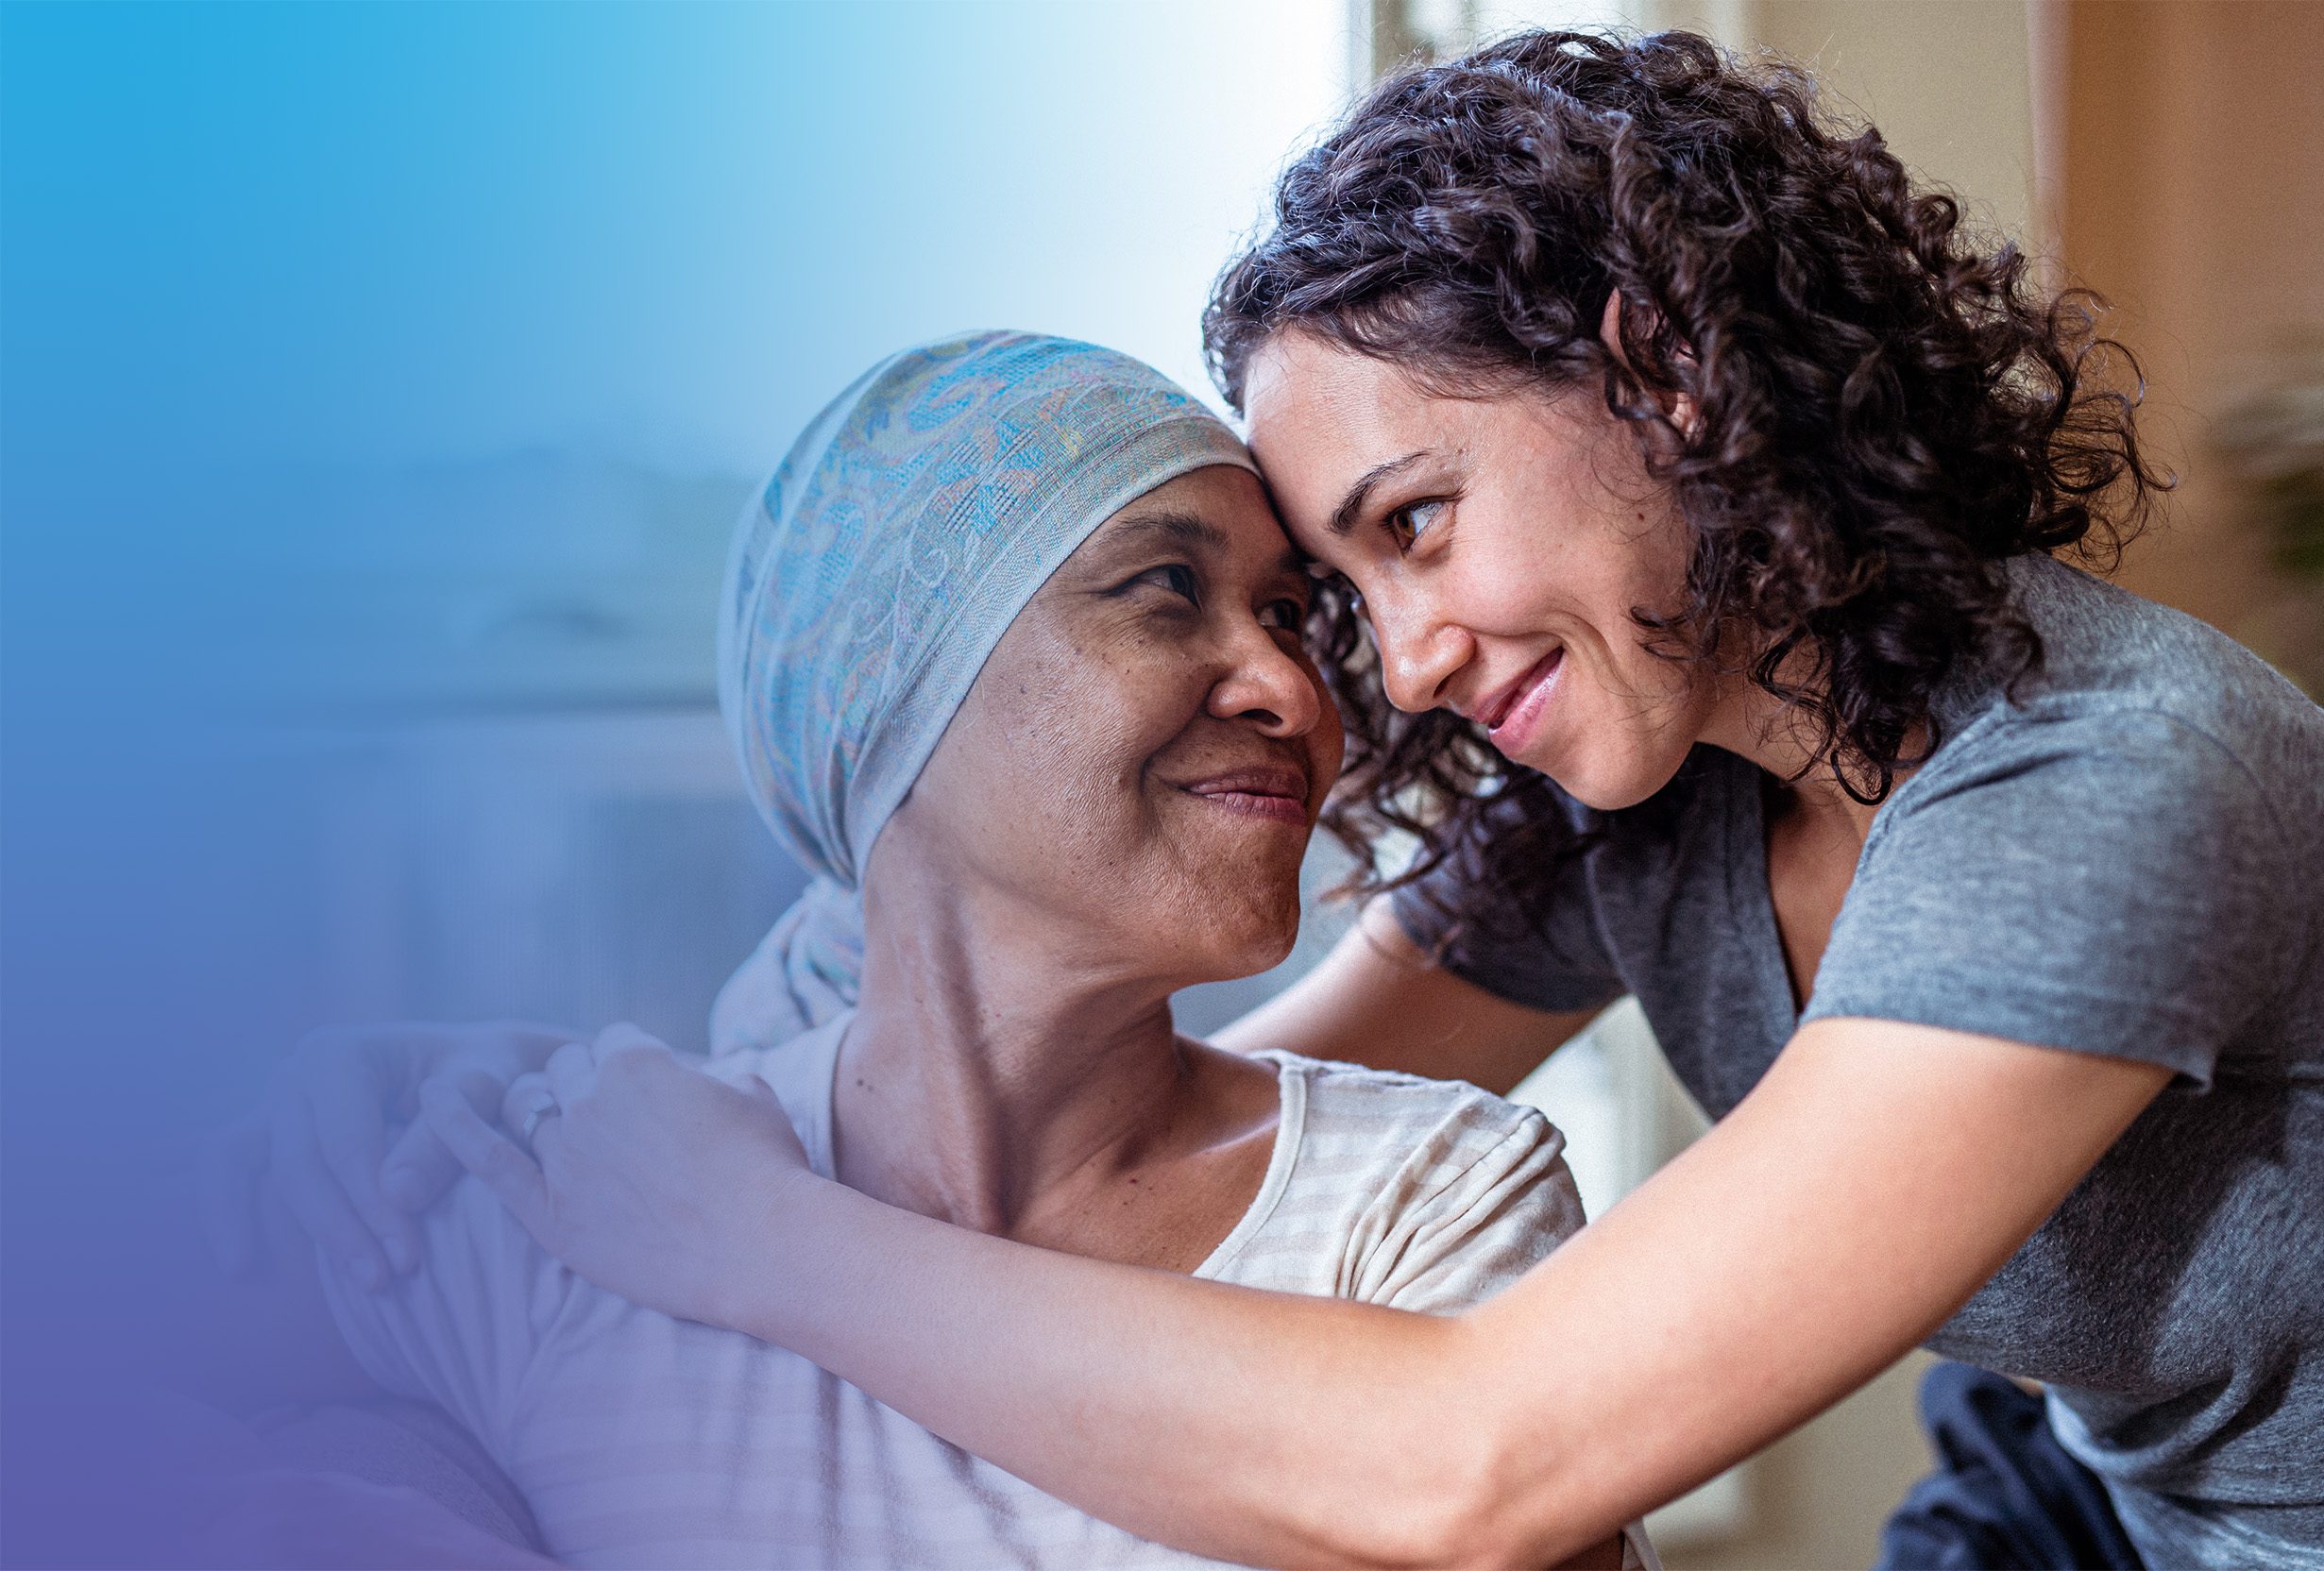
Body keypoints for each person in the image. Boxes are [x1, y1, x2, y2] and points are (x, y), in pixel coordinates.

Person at [247, 31, 2324, 1570]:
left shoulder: (2110, 782)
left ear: (1671, 376)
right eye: (1344, 584)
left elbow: (1484, 1461)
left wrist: (736, 1231)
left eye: (1413, 521)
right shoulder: (1649, 790)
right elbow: (1136, 1112)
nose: (1397, 659)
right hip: (2077, 1496)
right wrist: (542, 1114)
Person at [185, 329, 1653, 1570]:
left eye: (1288, 614)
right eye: (1163, 591)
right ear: (894, 691)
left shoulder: (1427, 1203)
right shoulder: (537, 1194)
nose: (1295, 684)